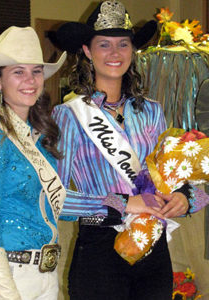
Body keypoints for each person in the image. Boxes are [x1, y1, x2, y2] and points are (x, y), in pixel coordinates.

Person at [53, 1, 209, 299]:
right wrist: (123, 203)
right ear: (87, 51)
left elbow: (187, 186)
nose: (115, 53)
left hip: (154, 246)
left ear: (133, 50)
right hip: (99, 251)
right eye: (104, 44)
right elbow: (54, 199)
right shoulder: (69, 115)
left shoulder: (152, 112)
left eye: (123, 44)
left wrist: (185, 199)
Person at [0, 26, 67, 300]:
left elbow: (60, 206)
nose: (31, 80)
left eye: (36, 71)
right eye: (18, 72)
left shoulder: (41, 139)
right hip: (6, 277)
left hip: (47, 276)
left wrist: (119, 205)